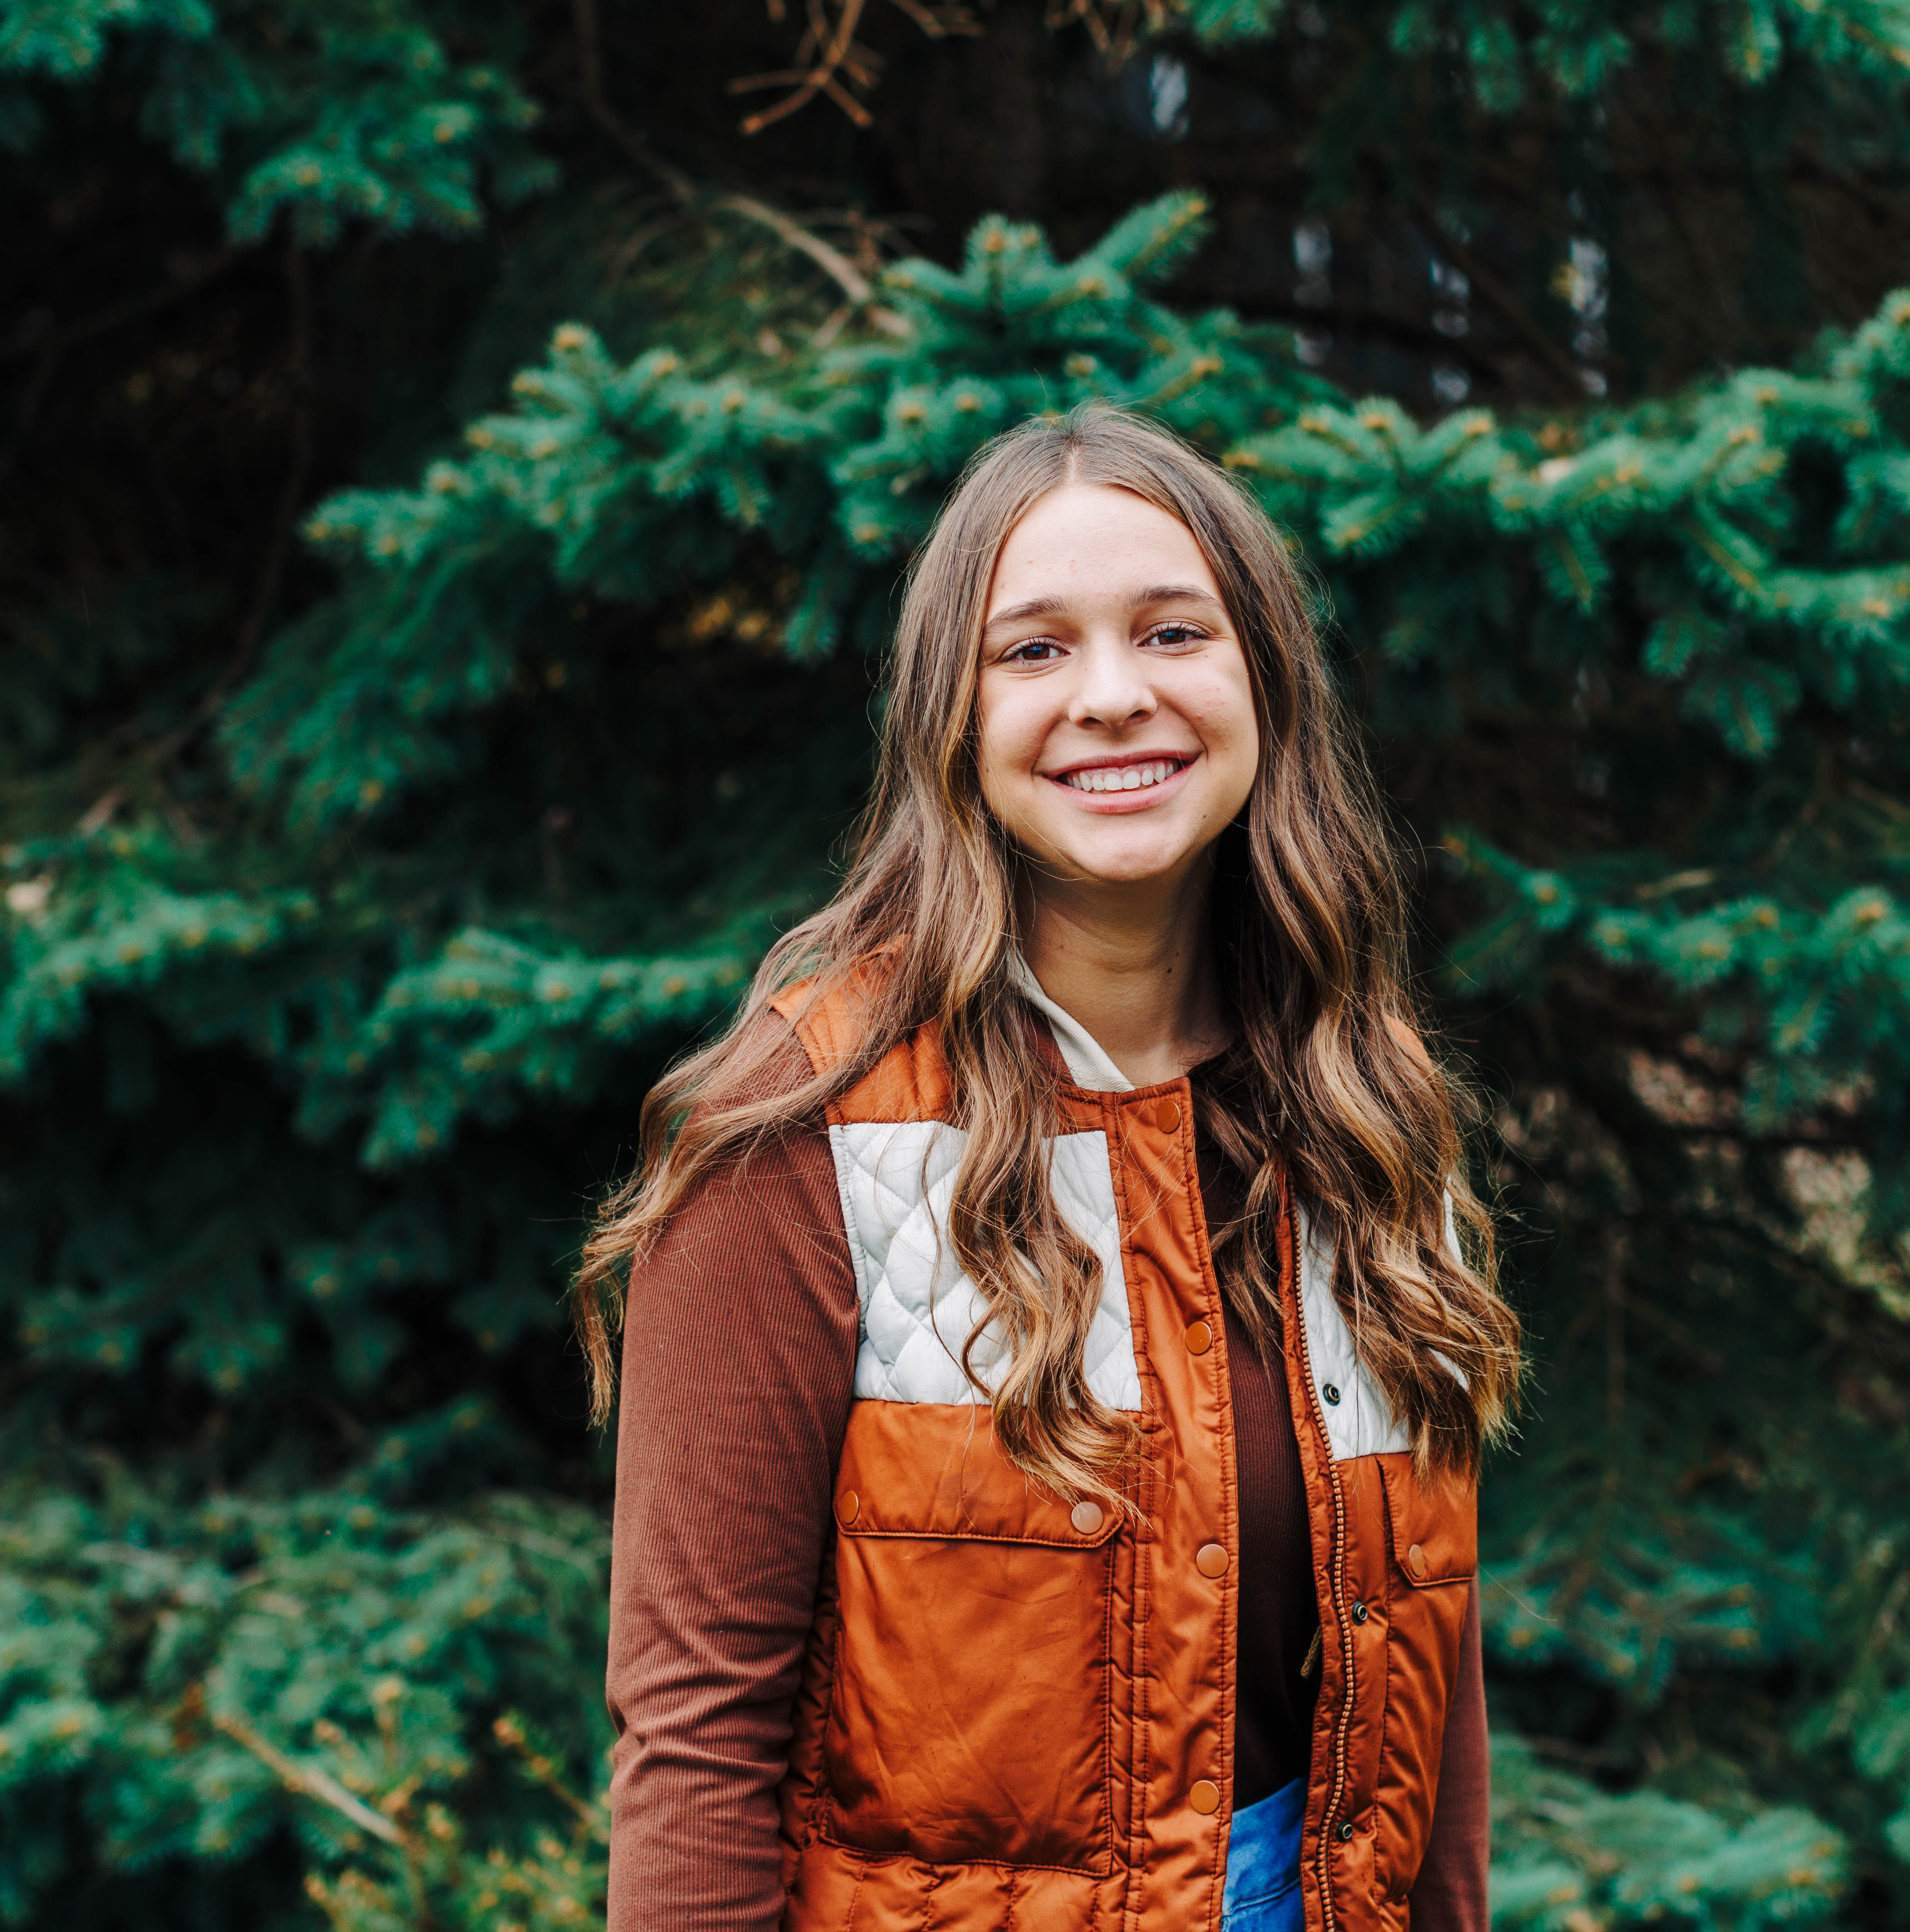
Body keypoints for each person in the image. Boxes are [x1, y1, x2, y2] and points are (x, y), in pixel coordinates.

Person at [579, 402, 1523, 1932]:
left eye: (1171, 633)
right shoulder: (802, 1133)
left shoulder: (1364, 1117)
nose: (1110, 698)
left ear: (1263, 683)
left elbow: (1431, 1687)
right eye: (1033, 650)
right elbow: (694, 1751)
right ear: (948, 715)